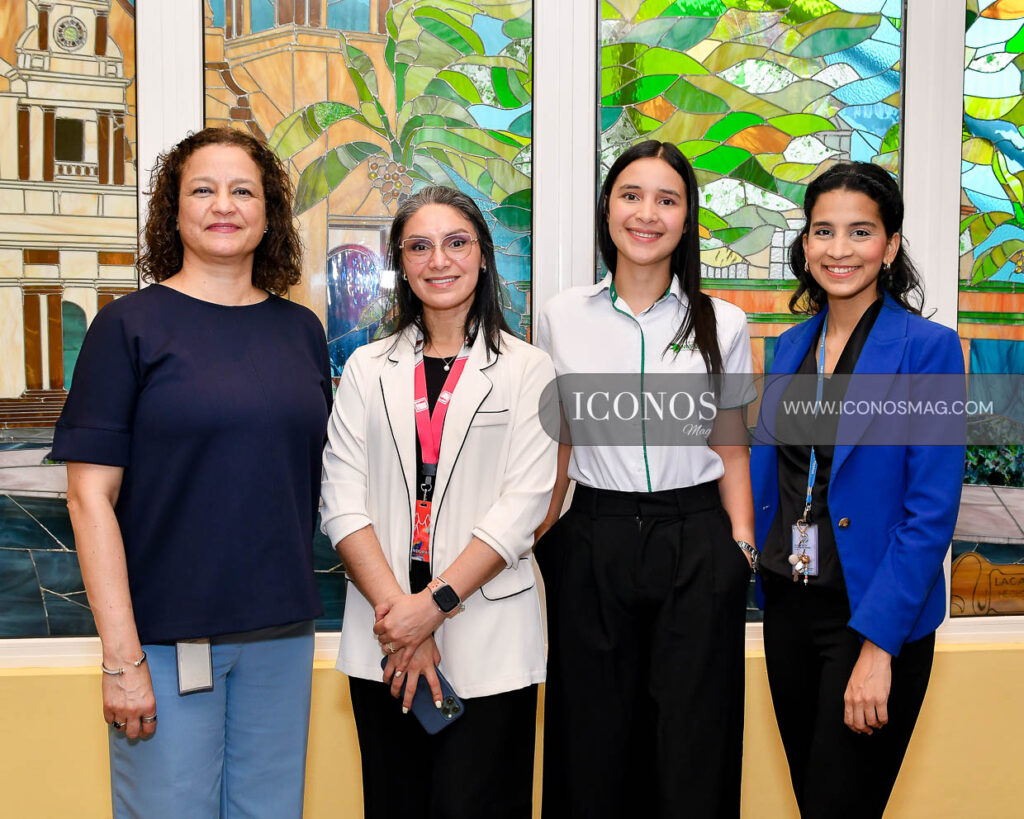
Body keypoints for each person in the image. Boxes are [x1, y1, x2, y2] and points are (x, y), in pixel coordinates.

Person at [52, 126, 331, 818]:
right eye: (201, 190)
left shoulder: (301, 332)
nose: (223, 205)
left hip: (282, 634)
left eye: (243, 190)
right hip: (165, 643)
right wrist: (122, 660)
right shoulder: (128, 327)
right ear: (172, 212)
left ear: (268, 212)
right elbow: (90, 497)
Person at [534, 139, 756, 818]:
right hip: (593, 538)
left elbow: (732, 444)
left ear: (687, 220)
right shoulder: (561, 315)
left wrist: (742, 546)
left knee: (693, 747)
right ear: (608, 209)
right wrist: (534, 539)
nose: (647, 213)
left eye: (668, 199)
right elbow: (559, 445)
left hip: (696, 540)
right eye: (632, 195)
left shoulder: (725, 321)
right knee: (590, 744)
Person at [320, 185, 557, 819]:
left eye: (456, 243)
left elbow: (525, 507)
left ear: (482, 256)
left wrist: (434, 607)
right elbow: (341, 499)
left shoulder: (530, 369)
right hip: (385, 637)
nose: (439, 260)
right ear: (399, 262)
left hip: (487, 638)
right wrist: (402, 618)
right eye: (419, 246)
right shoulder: (366, 369)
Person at [750, 162, 965, 818]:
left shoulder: (928, 349)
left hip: (872, 614)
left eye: (860, 232)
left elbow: (931, 513)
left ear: (891, 245)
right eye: (823, 231)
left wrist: (878, 646)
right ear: (805, 243)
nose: (839, 249)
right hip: (789, 607)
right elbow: (778, 477)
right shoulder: (788, 347)